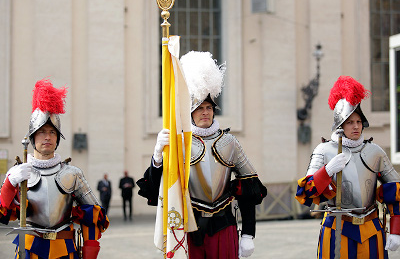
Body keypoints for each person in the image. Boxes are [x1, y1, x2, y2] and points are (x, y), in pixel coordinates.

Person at [137, 51, 267, 258]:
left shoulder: (230, 142)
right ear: (190, 112)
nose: (205, 112)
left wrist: (248, 234)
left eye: (208, 107)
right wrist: (157, 156)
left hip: (224, 226)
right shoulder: (178, 143)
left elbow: (249, 190)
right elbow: (155, 189)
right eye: (199, 108)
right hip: (189, 226)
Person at [0, 79, 109, 259]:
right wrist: (9, 185)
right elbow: (2, 212)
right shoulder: (18, 173)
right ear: (33, 137)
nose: (47, 137)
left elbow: (93, 216)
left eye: (52, 132)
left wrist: (90, 253)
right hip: (30, 248)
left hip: (65, 247)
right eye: (42, 132)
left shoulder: (72, 174)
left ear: (58, 138)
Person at [295, 76, 400, 258]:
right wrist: (326, 171)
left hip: (371, 227)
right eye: (350, 122)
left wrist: (396, 230)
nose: (356, 126)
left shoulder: (375, 152)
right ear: (340, 125)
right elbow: (306, 192)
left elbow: (397, 192)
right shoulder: (324, 150)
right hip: (337, 227)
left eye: (359, 122)